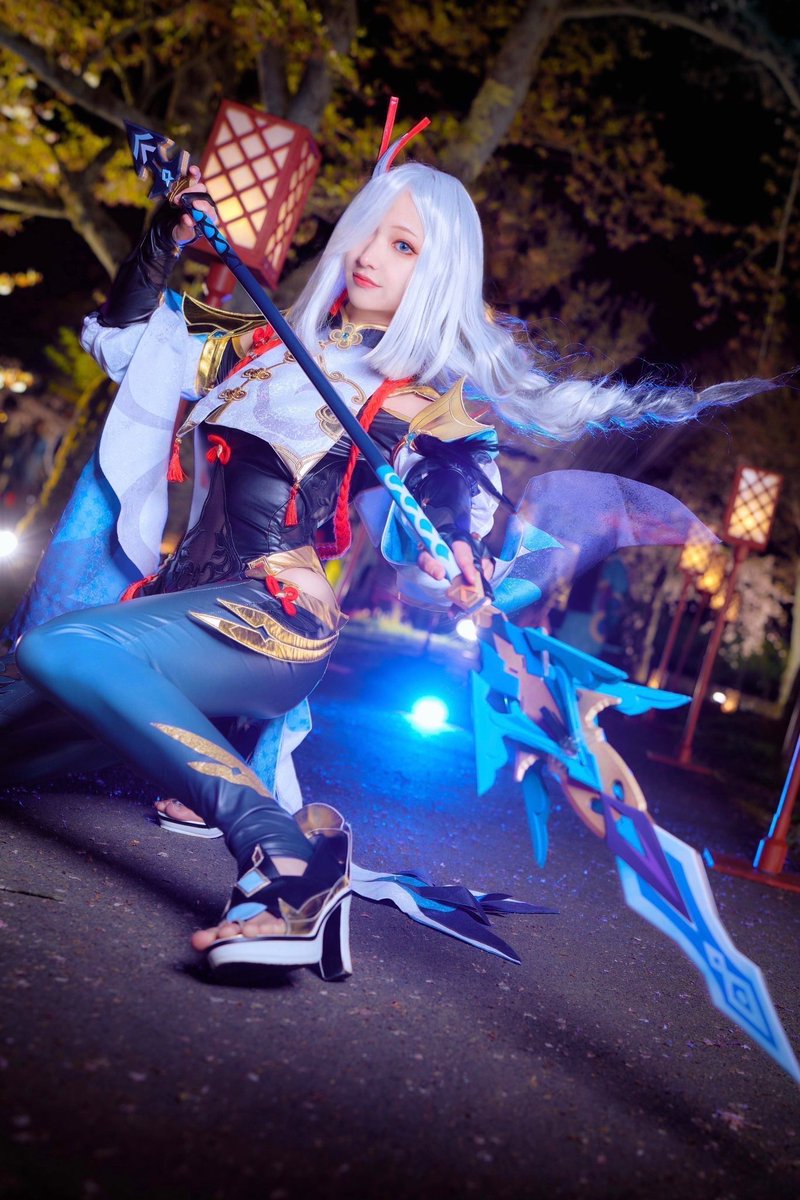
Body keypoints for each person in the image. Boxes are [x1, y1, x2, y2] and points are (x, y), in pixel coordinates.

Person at [4, 145, 779, 977]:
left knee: (61, 649)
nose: (371, 254)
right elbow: (126, 342)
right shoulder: (258, 343)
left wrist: (459, 548)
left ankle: (284, 854)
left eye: (403, 246)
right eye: (369, 231)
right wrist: (164, 239)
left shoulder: (412, 399)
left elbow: (452, 487)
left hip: (271, 625)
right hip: (173, 615)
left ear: (436, 274)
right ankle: (247, 791)